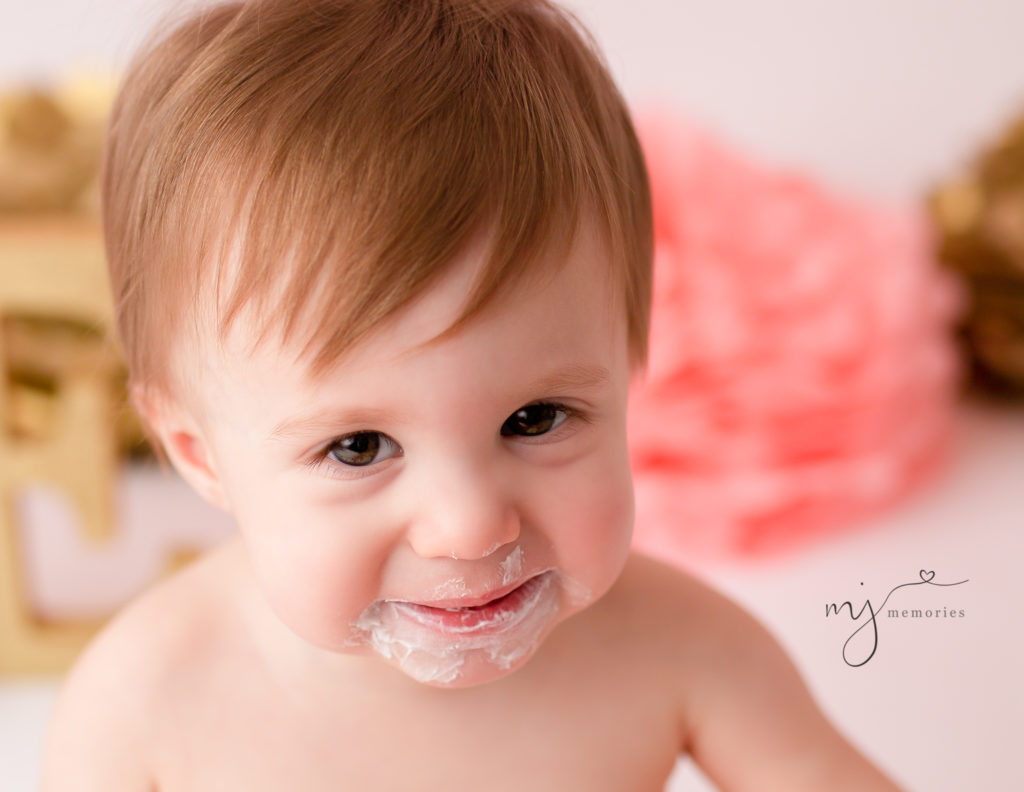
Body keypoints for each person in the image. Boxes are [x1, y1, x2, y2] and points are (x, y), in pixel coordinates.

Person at [42, 0, 904, 789]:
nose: (469, 526)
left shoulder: (681, 648)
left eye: (535, 419)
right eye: (359, 447)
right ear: (201, 454)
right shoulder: (149, 704)